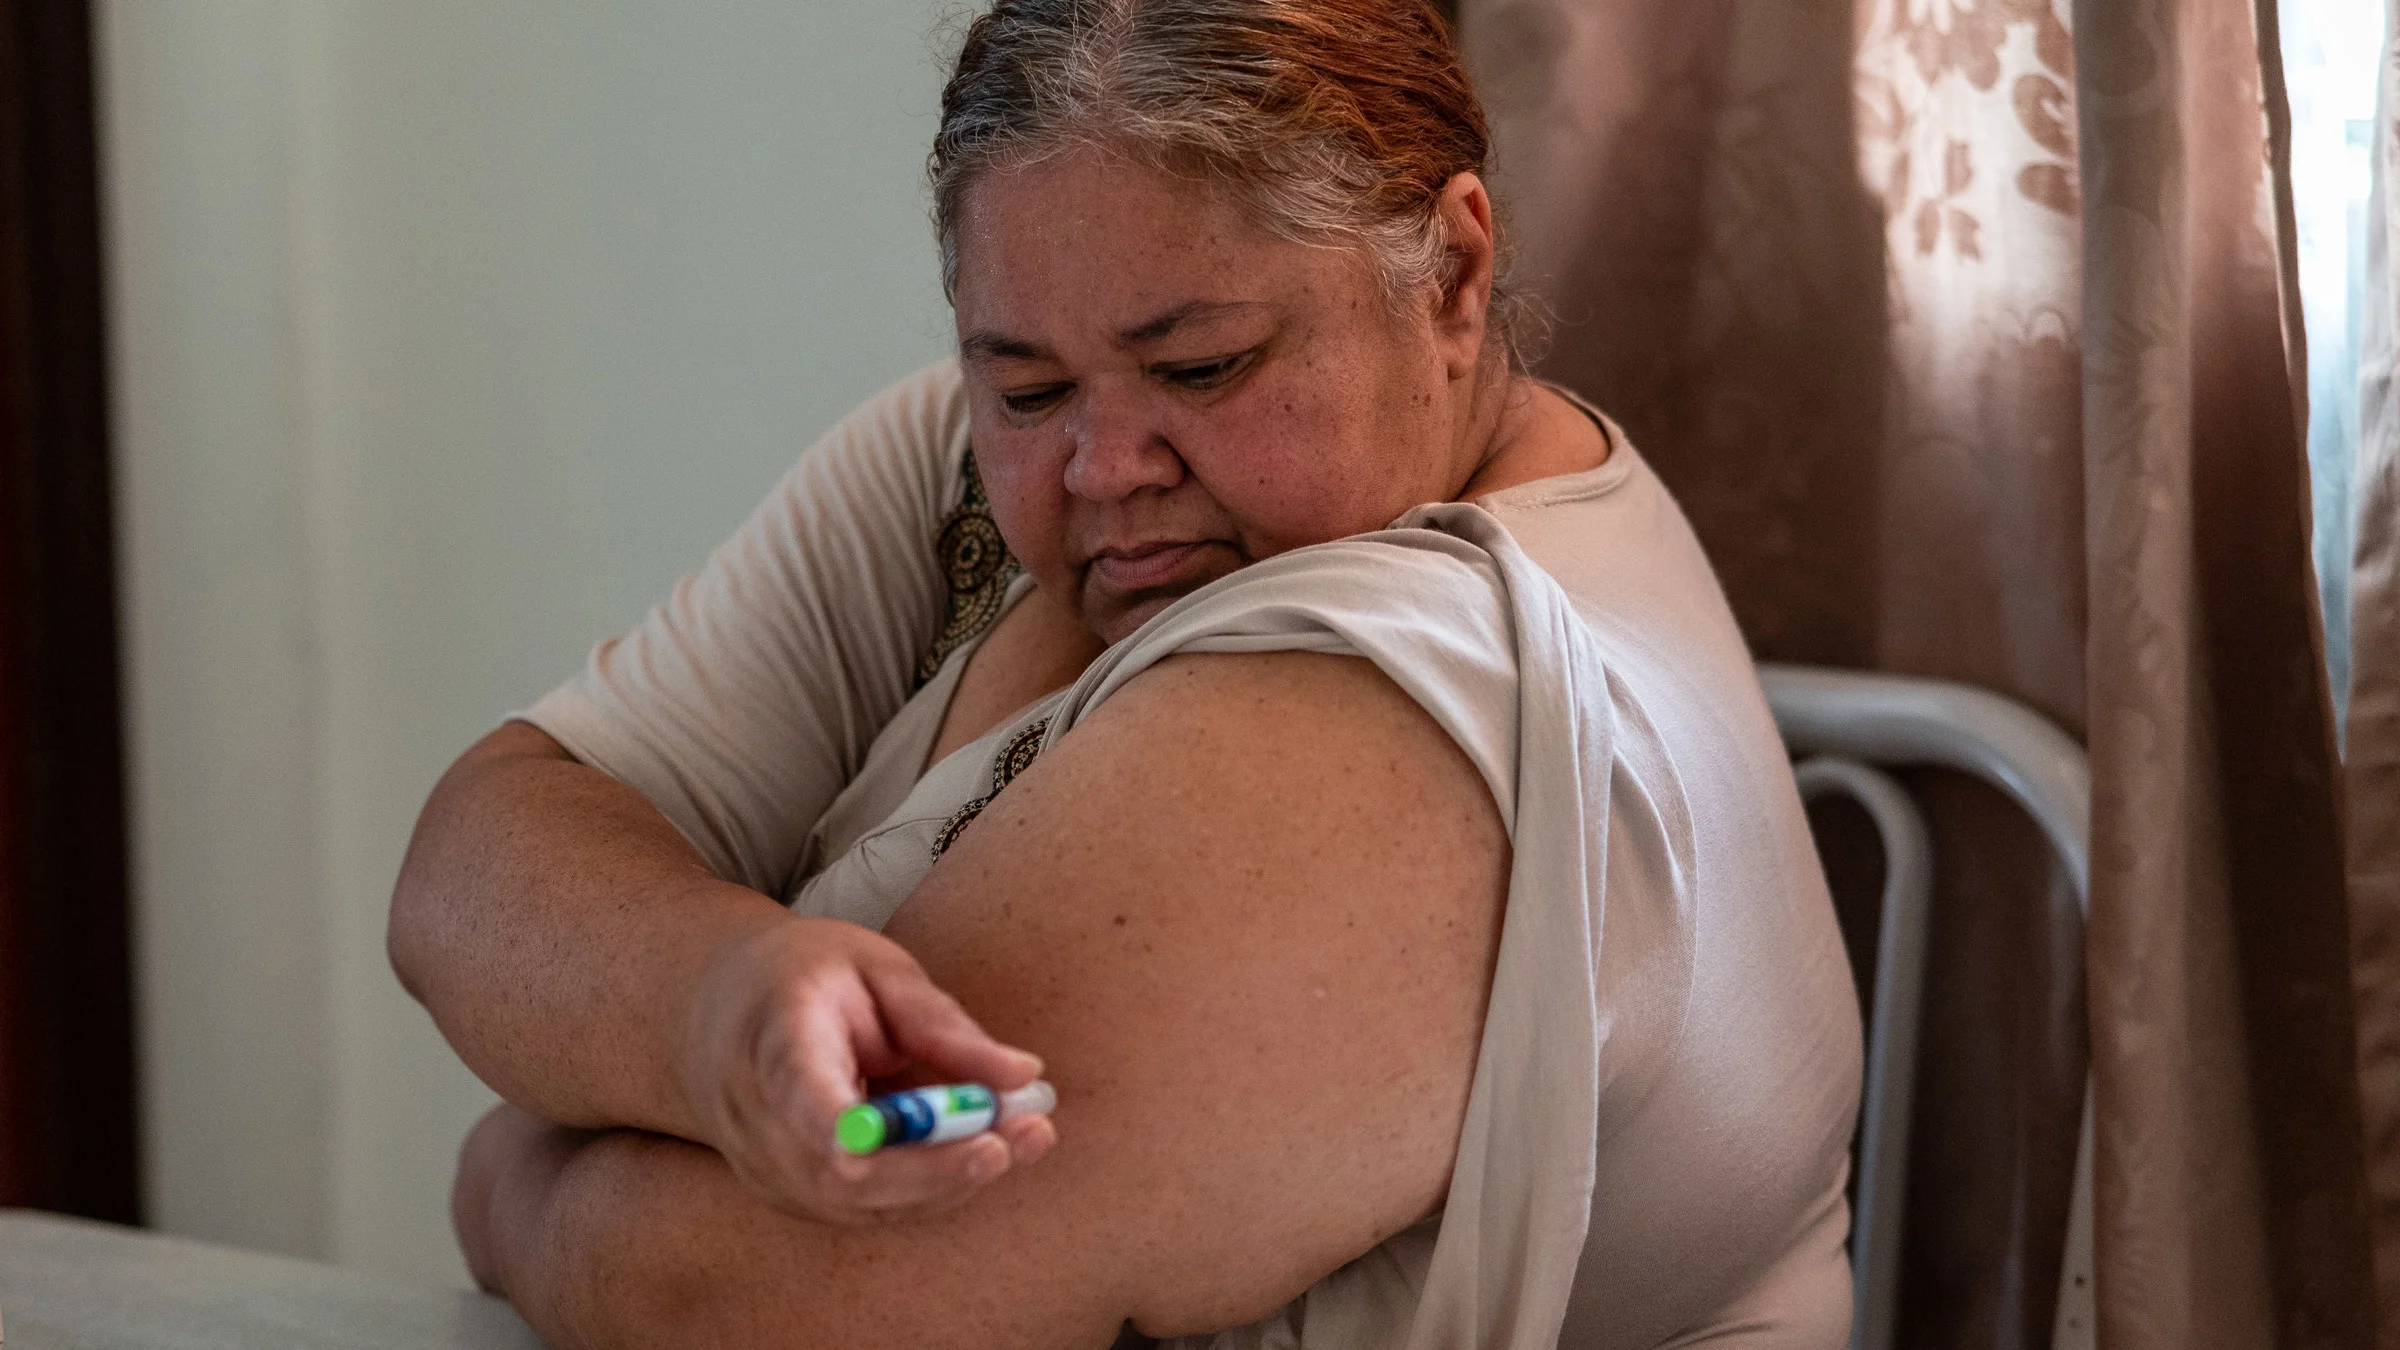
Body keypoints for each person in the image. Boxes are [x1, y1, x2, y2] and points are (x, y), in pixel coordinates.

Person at [388, 1, 1863, 1345]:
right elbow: (475, 864)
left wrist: (515, 1163)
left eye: (1202, 367)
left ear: (1452, 278)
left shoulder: (1387, 707)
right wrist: (708, 1000)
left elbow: (746, 1301)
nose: (1104, 469)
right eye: (1028, 384)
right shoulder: (970, 477)